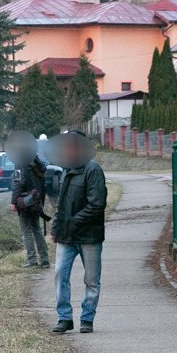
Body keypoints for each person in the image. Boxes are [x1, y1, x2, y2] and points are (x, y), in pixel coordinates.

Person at [50, 130, 106, 334]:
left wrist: (73, 222)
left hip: (89, 237)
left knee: (91, 280)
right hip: (66, 236)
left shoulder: (93, 170)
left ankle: (87, 318)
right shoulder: (67, 169)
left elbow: (97, 204)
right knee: (60, 275)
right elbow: (61, 205)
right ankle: (64, 318)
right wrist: (56, 228)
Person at [11, 157, 50, 268]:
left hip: (25, 203)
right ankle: (44, 259)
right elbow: (43, 185)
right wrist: (41, 203)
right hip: (36, 202)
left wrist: (13, 202)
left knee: (26, 232)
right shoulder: (37, 163)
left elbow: (19, 183)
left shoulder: (20, 163)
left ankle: (32, 260)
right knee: (37, 230)